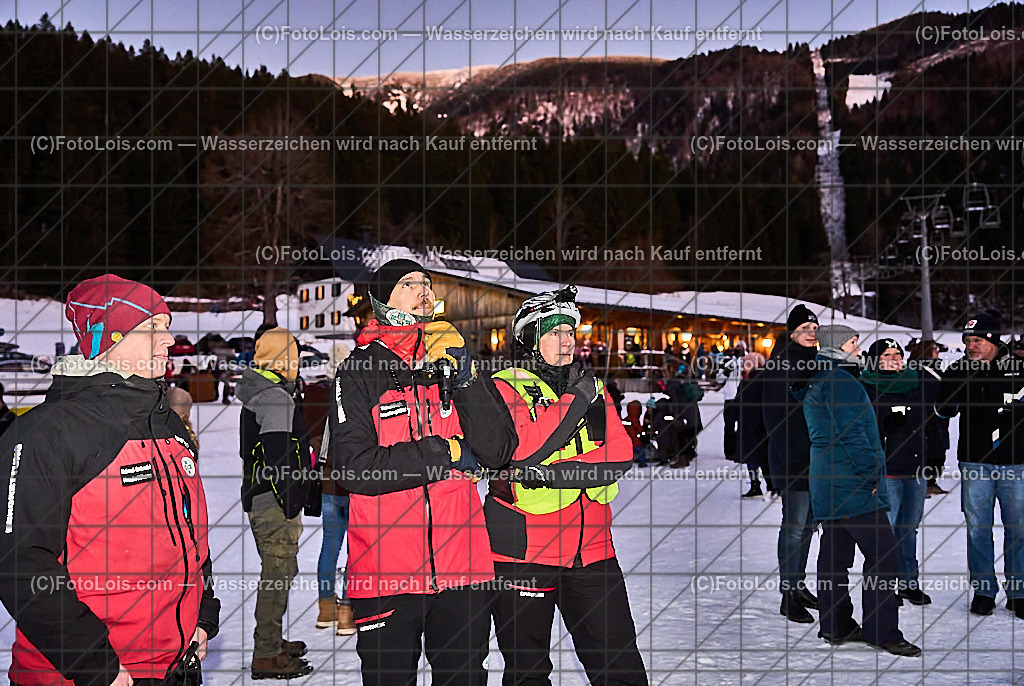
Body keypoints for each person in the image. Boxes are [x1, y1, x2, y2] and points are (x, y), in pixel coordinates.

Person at [0, 274, 220, 685]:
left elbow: (192, 536)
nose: (169, 340)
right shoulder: (46, 433)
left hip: (175, 666)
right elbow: (20, 564)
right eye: (153, 328)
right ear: (109, 339)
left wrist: (203, 614)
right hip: (87, 675)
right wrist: (96, 666)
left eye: (167, 327)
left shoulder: (167, 424)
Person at [329, 259, 517, 685]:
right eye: (408, 284)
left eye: (427, 283)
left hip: (464, 569)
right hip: (386, 571)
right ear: (381, 301)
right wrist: (446, 451)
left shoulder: (453, 363)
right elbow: (356, 468)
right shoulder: (358, 372)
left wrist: (466, 371)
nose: (424, 290)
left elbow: (499, 450)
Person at [485, 285, 648, 686]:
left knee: (620, 664)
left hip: (592, 550)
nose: (567, 342)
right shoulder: (502, 387)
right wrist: (574, 402)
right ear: (529, 338)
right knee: (528, 671)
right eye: (554, 333)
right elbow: (523, 449)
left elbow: (619, 454)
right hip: (523, 553)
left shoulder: (590, 388)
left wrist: (553, 474)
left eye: (571, 333)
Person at [800, 325, 921, 657]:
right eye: (853, 343)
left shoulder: (821, 377)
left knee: (835, 556)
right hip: (851, 481)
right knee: (884, 556)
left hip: (828, 479)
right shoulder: (842, 381)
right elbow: (853, 434)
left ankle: (835, 623)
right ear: (839, 347)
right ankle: (883, 631)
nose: (858, 349)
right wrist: (871, 473)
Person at [237, 325, 315, 679]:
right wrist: (290, 502)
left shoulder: (262, 392)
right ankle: (266, 652)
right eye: (295, 355)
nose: (298, 362)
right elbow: (280, 458)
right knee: (277, 575)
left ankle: (271, 640)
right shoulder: (275, 398)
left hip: (263, 499)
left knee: (280, 573)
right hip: (273, 503)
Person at [935, 310, 1024, 618]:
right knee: (978, 529)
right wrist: (951, 383)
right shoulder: (961, 368)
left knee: (1019, 530)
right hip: (976, 464)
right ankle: (984, 590)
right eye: (967, 340)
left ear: (993, 341)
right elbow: (944, 411)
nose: (971, 346)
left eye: (978, 340)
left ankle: (1019, 592)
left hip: (1017, 464)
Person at [860, 338, 941, 606]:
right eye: (887, 354)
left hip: (915, 469)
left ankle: (908, 582)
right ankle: (885, 586)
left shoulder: (916, 383)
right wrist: (885, 424)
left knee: (909, 529)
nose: (894, 358)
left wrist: (935, 456)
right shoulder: (866, 387)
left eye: (897, 353)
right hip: (887, 472)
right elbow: (861, 430)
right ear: (875, 360)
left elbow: (931, 422)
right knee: (887, 531)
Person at [761, 304, 820, 622]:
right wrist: (789, 460)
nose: (811, 333)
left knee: (809, 527)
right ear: (792, 332)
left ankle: (798, 585)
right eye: (804, 328)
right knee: (795, 526)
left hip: (819, 459)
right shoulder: (779, 365)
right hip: (793, 459)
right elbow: (773, 419)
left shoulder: (819, 362)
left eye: (815, 328)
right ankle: (788, 594)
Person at [303, 376, 357, 637]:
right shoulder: (351, 403)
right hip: (354, 488)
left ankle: (326, 609)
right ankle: (347, 612)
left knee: (329, 547)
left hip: (327, 486)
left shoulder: (315, 405)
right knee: (354, 550)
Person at [908, 339, 950, 497]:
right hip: (926, 416)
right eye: (934, 349)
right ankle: (925, 484)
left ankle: (931, 482)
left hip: (938, 415)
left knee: (938, 449)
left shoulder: (934, 369)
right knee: (928, 449)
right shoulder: (917, 371)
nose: (937, 352)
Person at [735, 352, 773, 498]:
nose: (743, 367)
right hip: (750, 424)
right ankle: (757, 486)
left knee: (761, 458)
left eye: (745, 363)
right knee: (753, 458)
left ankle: (770, 487)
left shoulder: (761, 379)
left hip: (758, 425)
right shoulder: (747, 379)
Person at [717, 351, 743, 462]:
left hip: (743, 398)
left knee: (744, 426)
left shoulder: (749, 360)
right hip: (730, 397)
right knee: (729, 426)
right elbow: (719, 378)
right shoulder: (726, 361)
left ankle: (741, 451)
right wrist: (727, 370)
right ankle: (729, 451)